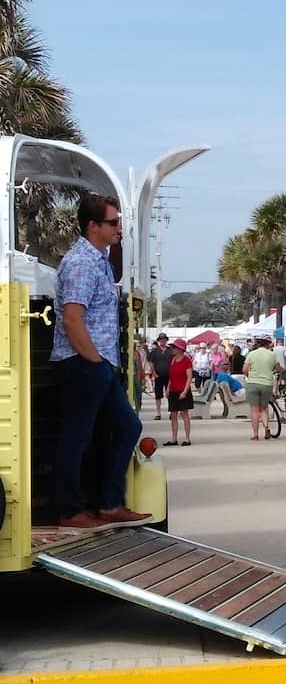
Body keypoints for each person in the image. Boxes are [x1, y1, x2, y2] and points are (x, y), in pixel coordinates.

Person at [51, 193, 149, 528]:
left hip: (99, 363)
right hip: (82, 362)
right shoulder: (81, 264)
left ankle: (108, 503)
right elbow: (72, 319)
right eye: (113, 222)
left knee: (126, 427)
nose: (119, 227)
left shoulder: (101, 261)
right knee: (78, 437)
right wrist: (94, 361)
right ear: (93, 226)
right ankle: (69, 510)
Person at [243, 337, 277, 441]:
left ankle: (255, 434)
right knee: (263, 408)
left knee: (254, 410)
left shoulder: (251, 354)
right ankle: (266, 427)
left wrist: (250, 375)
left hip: (253, 383)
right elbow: (277, 368)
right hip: (267, 384)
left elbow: (245, 370)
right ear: (268, 344)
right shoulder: (272, 355)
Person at [164, 338, 194, 447]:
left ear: (181, 349)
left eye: (175, 347)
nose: (173, 349)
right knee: (173, 415)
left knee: (184, 414)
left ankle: (187, 438)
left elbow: (189, 377)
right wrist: (168, 388)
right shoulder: (173, 360)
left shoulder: (187, 361)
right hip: (173, 390)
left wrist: (185, 391)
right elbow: (171, 376)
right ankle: (174, 438)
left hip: (182, 390)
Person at [148, 332, 173, 420]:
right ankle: (158, 413)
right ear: (159, 341)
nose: (163, 341)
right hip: (158, 376)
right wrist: (154, 373)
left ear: (166, 340)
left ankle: (171, 412)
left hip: (169, 376)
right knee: (158, 395)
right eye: (161, 340)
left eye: (164, 340)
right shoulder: (154, 351)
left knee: (170, 394)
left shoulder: (171, 350)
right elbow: (151, 362)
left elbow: (174, 362)